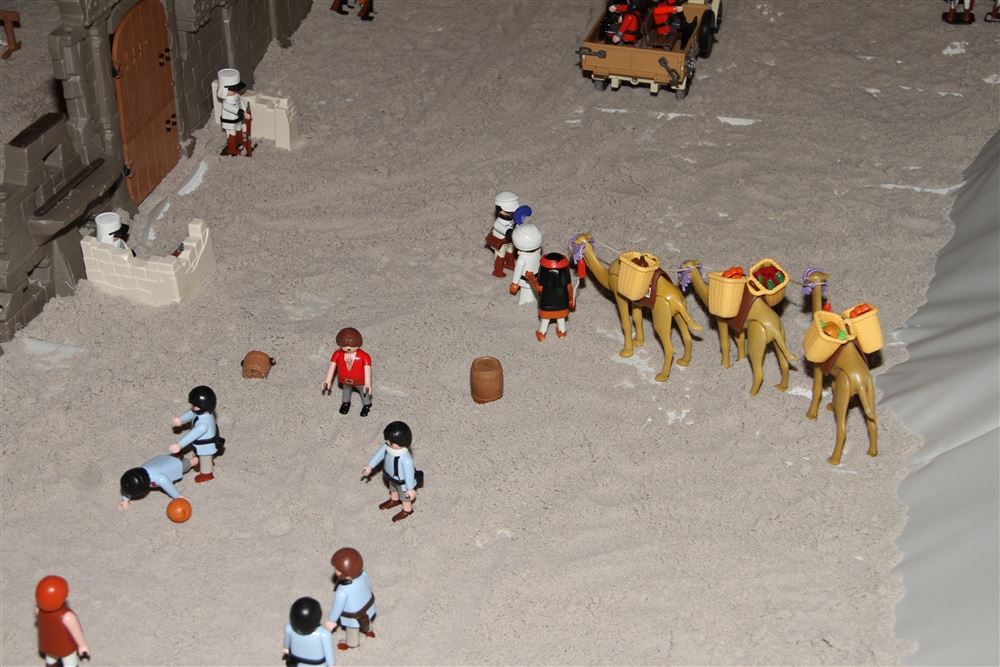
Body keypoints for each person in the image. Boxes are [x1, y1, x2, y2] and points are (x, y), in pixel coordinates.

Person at [362, 421, 419, 522]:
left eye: (391, 442)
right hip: (390, 476)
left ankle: (407, 510)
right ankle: (394, 500)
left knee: (405, 497)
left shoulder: (406, 459)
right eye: (387, 439)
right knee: (392, 489)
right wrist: (370, 466)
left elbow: (409, 474)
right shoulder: (387, 448)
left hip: (403, 483)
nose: (388, 442)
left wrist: (410, 489)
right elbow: (378, 455)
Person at [324, 548, 376, 651]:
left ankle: (352, 644)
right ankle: (369, 631)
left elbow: (337, 608)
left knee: (352, 630)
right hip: (368, 606)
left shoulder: (342, 591)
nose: (335, 570)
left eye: (337, 569)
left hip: (353, 615)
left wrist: (331, 621)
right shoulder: (364, 575)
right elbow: (369, 587)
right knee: (367, 620)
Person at [169, 385, 224, 483]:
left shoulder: (203, 424)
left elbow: (192, 435)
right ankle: (200, 463)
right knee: (199, 455)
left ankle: (207, 474)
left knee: (205, 458)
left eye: (194, 405)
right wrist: (181, 420)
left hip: (206, 445)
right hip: (201, 444)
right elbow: (191, 413)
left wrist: (179, 445)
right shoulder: (201, 412)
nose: (192, 407)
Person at [35, 576, 90, 667]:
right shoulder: (67, 616)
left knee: (51, 659)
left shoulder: (38, 611)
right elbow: (76, 631)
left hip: (48, 644)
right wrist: (82, 645)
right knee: (69, 662)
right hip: (66, 647)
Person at [322, 327, 373, 417]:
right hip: (345, 379)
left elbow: (367, 369)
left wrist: (368, 383)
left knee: (364, 392)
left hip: (360, 380)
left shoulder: (364, 356)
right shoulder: (337, 354)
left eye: (352, 346)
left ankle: (366, 405)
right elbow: (332, 366)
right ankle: (346, 403)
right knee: (346, 390)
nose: (348, 348)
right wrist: (328, 380)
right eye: (344, 346)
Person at [119, 452, 196, 510]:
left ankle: (196, 460)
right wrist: (125, 499)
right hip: (160, 461)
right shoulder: (138, 472)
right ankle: (178, 454)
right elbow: (130, 484)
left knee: (184, 465)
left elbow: (169, 486)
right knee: (172, 457)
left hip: (170, 466)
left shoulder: (159, 478)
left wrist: (178, 497)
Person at [525, 252, 575, 341]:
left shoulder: (544, 277)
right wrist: (571, 300)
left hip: (547, 304)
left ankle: (542, 334)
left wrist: (530, 277)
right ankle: (562, 332)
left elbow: (538, 287)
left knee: (545, 319)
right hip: (562, 304)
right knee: (561, 318)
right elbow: (570, 289)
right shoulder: (566, 281)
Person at [283, 597, 336, 667]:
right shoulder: (323, 634)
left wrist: (286, 650)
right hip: (318, 664)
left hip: (297, 662)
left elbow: (286, 645)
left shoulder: (289, 628)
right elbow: (328, 653)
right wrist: (332, 664)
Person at [218, 68, 253, 156]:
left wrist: (245, 110)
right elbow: (231, 108)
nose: (235, 91)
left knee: (239, 129)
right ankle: (232, 149)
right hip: (229, 121)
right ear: (225, 90)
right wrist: (242, 113)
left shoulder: (236, 95)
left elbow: (241, 103)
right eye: (232, 89)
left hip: (237, 118)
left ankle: (240, 141)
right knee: (231, 133)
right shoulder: (226, 102)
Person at [509, 215, 542, 306]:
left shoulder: (522, 259)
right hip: (536, 277)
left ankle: (526, 304)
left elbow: (518, 272)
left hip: (526, 280)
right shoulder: (538, 252)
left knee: (526, 295)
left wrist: (515, 283)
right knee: (535, 293)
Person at [486, 191, 521, 278]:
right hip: (501, 242)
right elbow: (500, 227)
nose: (510, 213)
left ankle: (510, 264)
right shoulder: (498, 222)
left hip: (510, 241)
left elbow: (515, 224)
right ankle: (498, 271)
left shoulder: (512, 218)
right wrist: (508, 232)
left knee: (511, 252)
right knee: (500, 256)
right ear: (499, 209)